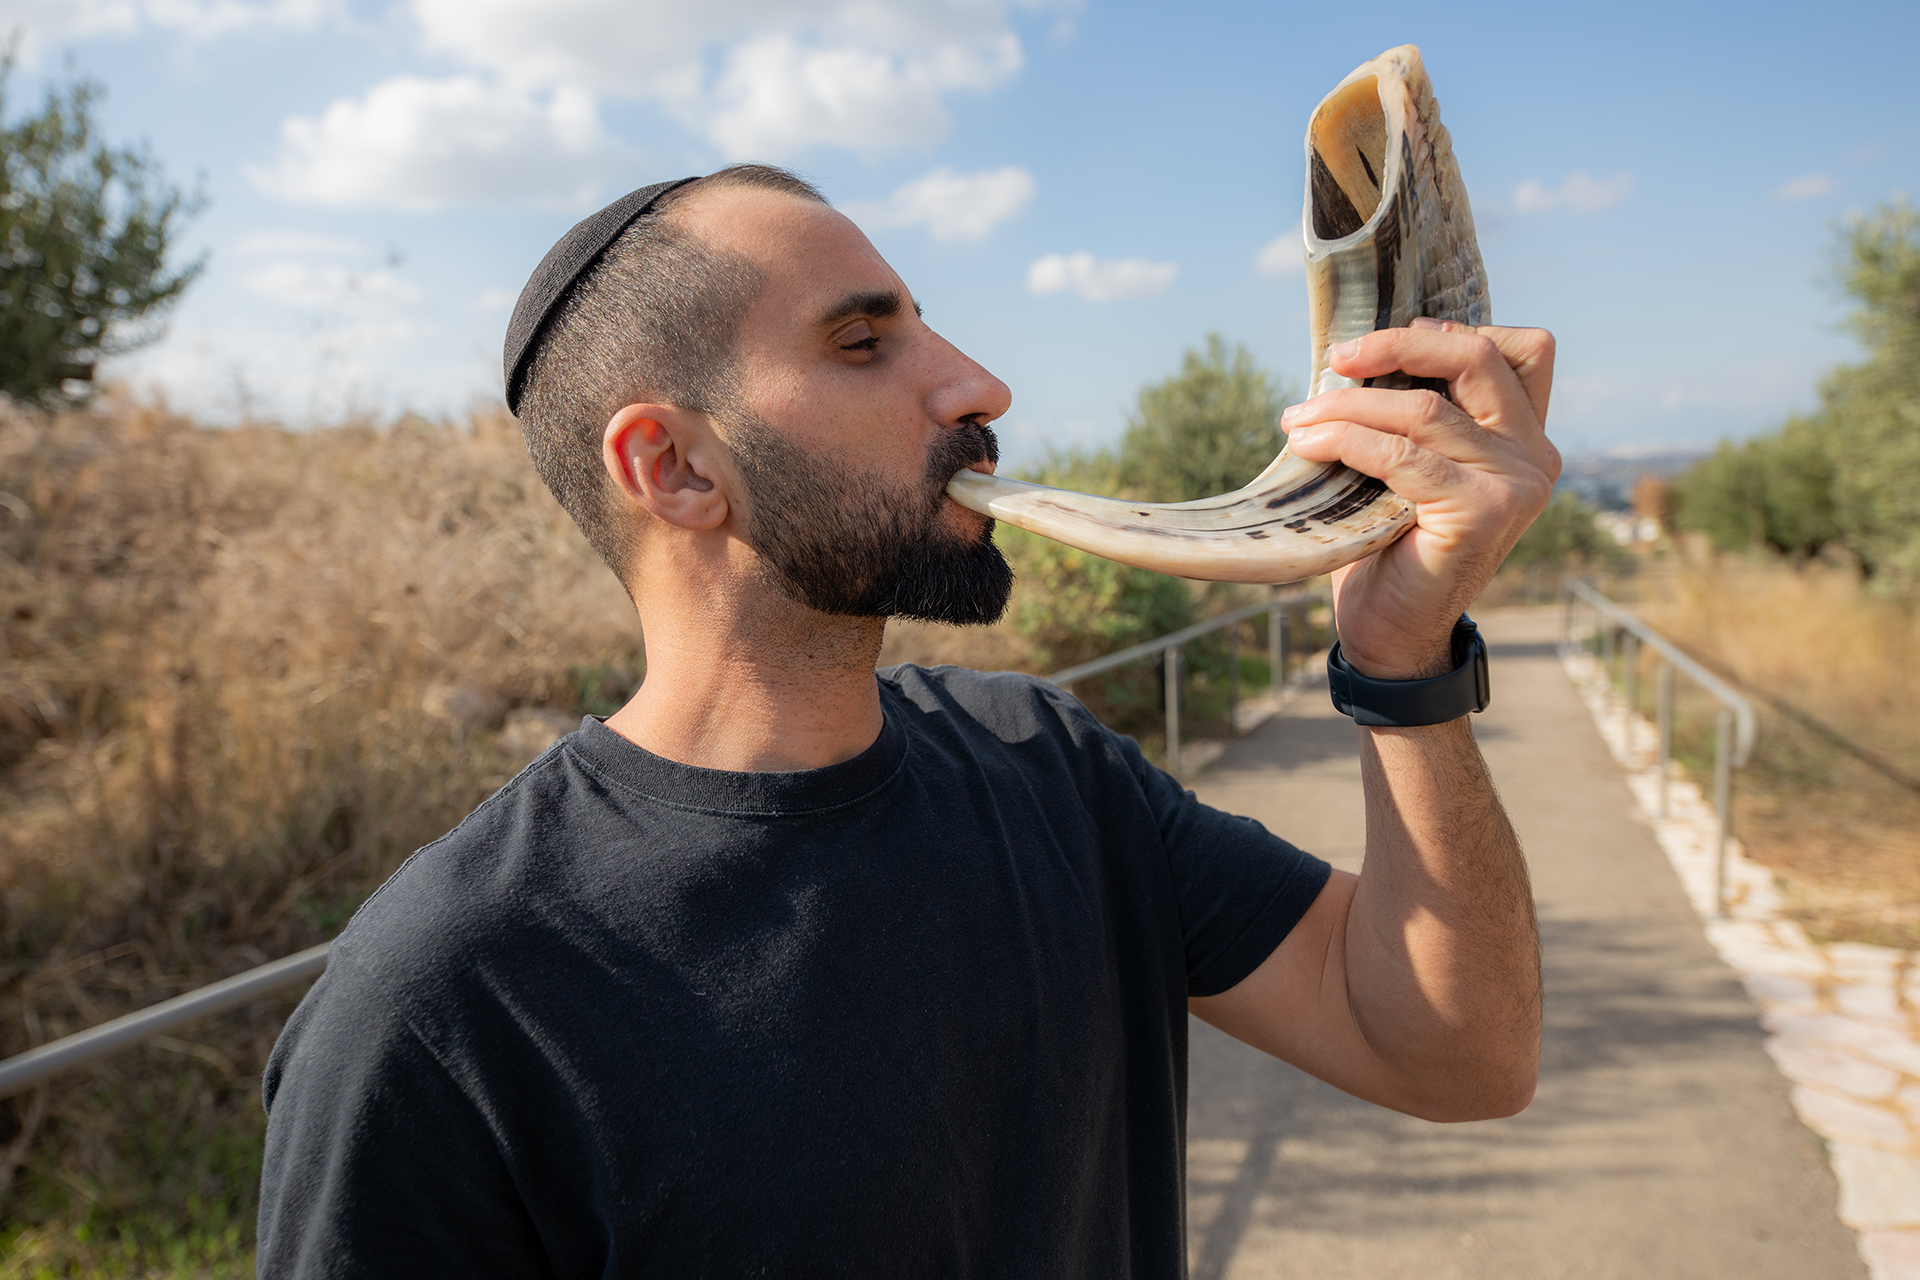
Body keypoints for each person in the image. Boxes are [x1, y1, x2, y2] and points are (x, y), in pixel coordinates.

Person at [256, 163, 1556, 1277]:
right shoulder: (447, 1002)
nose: (981, 386)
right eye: (863, 345)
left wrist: (1402, 656)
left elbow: (1458, 1057)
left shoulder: (1054, 777)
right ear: (674, 467)